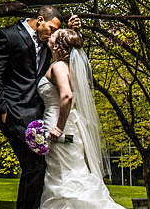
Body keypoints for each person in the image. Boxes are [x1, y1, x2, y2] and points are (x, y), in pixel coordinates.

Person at [0, 5, 78, 209]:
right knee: (34, 165)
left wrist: (73, 29)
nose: (53, 33)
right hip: (12, 112)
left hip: (36, 114)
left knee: (36, 168)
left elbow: (67, 49)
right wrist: (2, 110)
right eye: (51, 28)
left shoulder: (47, 42)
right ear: (40, 19)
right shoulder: (6, 36)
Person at [37, 28, 123, 209]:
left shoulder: (59, 67)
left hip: (59, 127)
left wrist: (58, 128)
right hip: (69, 126)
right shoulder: (70, 68)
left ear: (59, 45)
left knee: (65, 179)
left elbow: (66, 96)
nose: (50, 35)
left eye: (54, 34)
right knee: (71, 174)